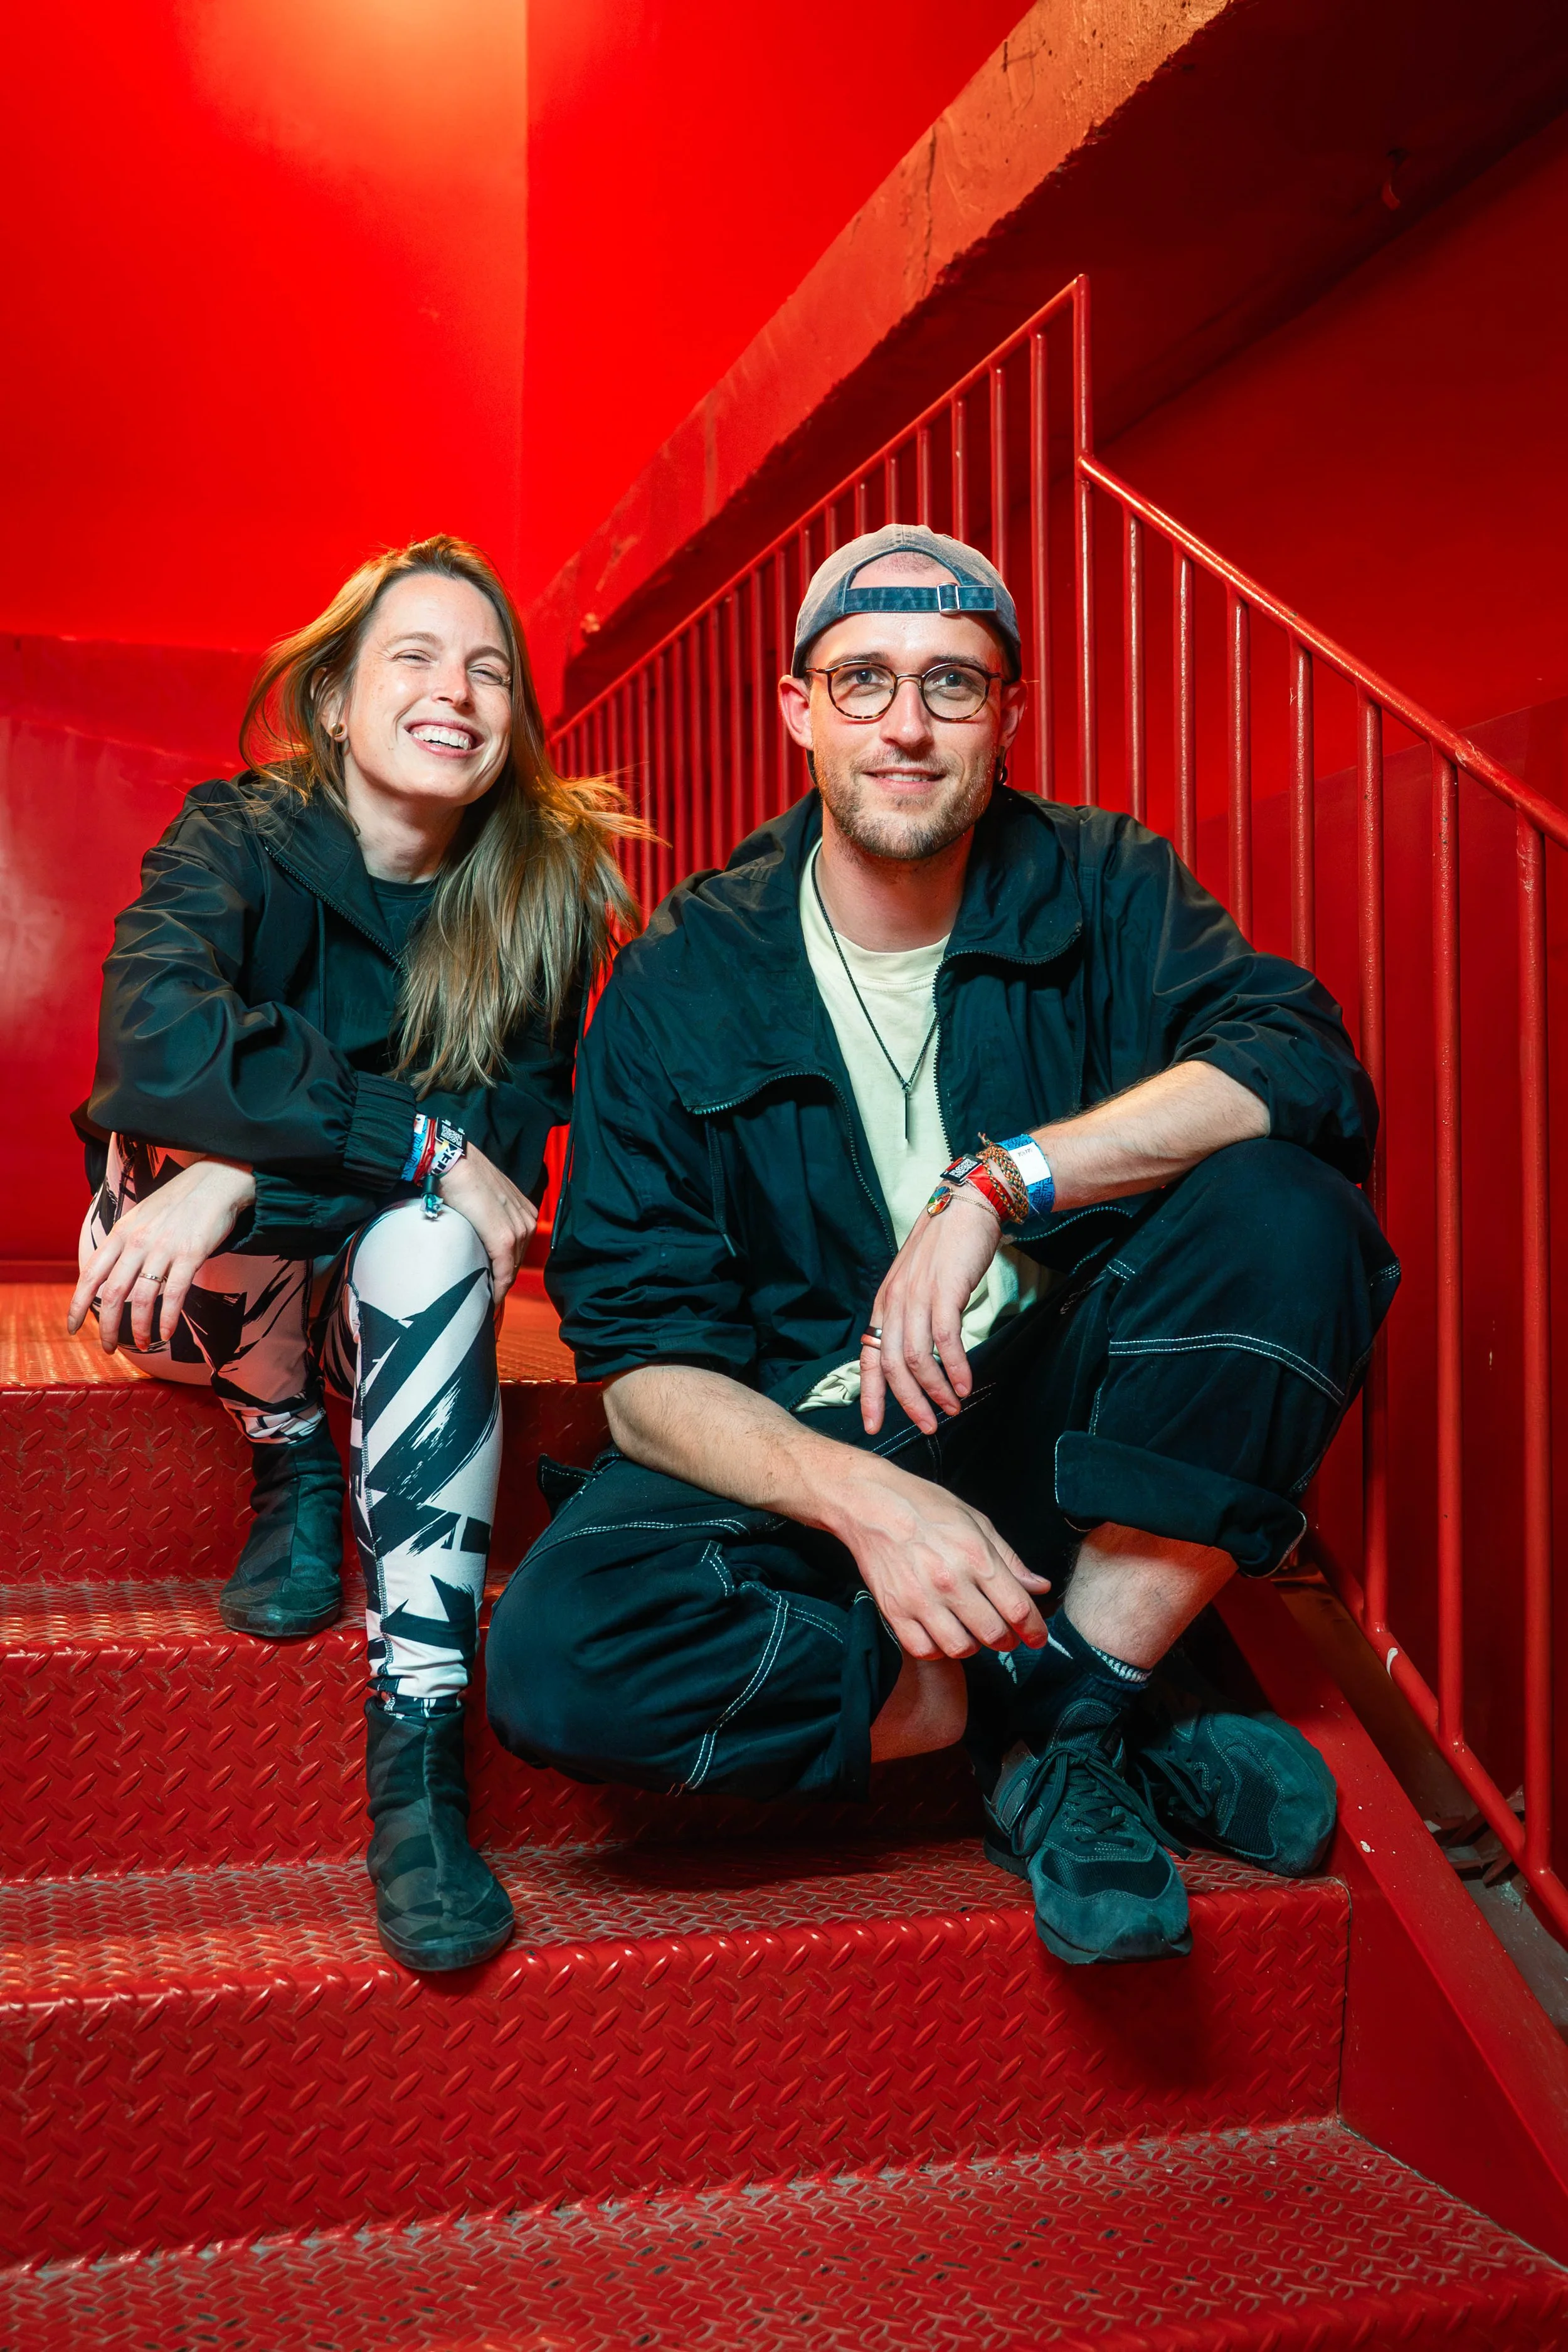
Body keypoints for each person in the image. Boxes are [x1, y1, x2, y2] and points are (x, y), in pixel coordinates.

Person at [485, 521, 1400, 1969]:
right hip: (823, 1440)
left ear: (1006, 716)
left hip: (1062, 1424)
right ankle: (1078, 1706)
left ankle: (1064, 1724)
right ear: (798, 713)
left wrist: (1004, 1184)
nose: (904, 726)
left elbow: (1297, 1062)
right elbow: (641, 1360)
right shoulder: (679, 977)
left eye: (952, 686)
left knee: (1290, 1209)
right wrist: (863, 1501)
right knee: (557, 1655)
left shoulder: (1103, 883)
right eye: (861, 682)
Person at [70, 535, 640, 1974]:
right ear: (333, 699)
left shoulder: (541, 896)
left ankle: (417, 1768)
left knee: (437, 1227)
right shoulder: (232, 838)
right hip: (193, 1294)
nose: (456, 691)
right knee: (174, 1162)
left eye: (488, 670)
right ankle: (288, 1450)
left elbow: (501, 1152)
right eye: (417, 658)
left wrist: (260, 1156)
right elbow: (153, 1049)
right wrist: (332, 1152)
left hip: (384, 1288)